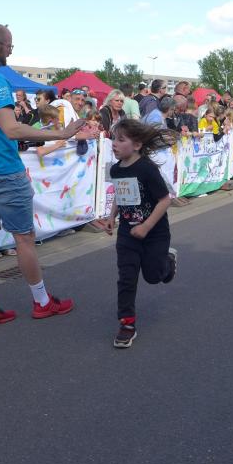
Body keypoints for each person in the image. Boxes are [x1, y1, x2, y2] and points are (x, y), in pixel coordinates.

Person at [0, 22, 96, 330]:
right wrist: (61, 133)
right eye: (9, 46)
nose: (10, 51)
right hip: (3, 170)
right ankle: (42, 302)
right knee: (24, 238)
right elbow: (12, 129)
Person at [95, 119, 178, 348]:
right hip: (127, 233)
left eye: (121, 139)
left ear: (137, 145)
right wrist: (112, 217)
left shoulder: (147, 169)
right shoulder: (115, 169)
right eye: (113, 138)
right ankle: (127, 324)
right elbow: (120, 195)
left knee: (153, 276)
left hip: (155, 232)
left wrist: (146, 227)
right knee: (127, 277)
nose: (114, 143)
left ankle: (168, 262)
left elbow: (165, 200)